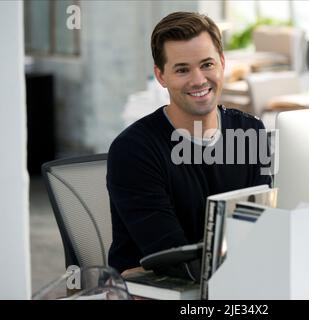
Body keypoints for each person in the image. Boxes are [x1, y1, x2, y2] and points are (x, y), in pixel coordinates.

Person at [106, 12, 271, 278]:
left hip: (235, 283)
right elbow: (172, 258)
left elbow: (261, 227)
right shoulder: (134, 150)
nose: (198, 80)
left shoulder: (249, 131)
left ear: (222, 63)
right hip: (156, 292)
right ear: (161, 76)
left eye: (207, 64)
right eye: (182, 69)